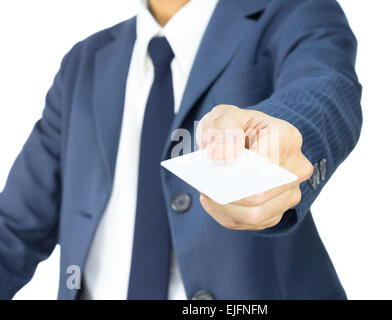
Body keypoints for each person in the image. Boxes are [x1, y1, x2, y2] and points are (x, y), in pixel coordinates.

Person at [0, 0, 362, 300]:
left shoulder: (295, 12)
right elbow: (14, 230)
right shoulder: (84, 62)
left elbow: (323, 87)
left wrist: (284, 133)